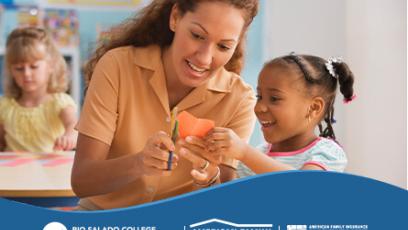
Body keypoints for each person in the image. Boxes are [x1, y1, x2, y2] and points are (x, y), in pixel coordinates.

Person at [72, 0, 259, 210]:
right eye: (197, 35)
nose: (205, 58)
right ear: (175, 17)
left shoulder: (240, 100)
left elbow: (220, 205)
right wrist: (139, 163)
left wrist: (207, 177)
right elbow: (82, 181)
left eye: (223, 46)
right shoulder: (117, 67)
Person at [204, 53, 355, 176]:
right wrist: (207, 173)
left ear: (314, 108)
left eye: (274, 99)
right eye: (259, 97)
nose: (259, 108)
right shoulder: (256, 156)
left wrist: (244, 152)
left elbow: (305, 188)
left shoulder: (326, 153)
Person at [0, 27, 77, 152]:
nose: (26, 74)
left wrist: (69, 136)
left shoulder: (59, 102)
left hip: (49, 169)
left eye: (34, 66)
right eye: (19, 68)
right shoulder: (4, 106)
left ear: (51, 66)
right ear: (11, 72)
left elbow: (73, 125)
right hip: (13, 170)